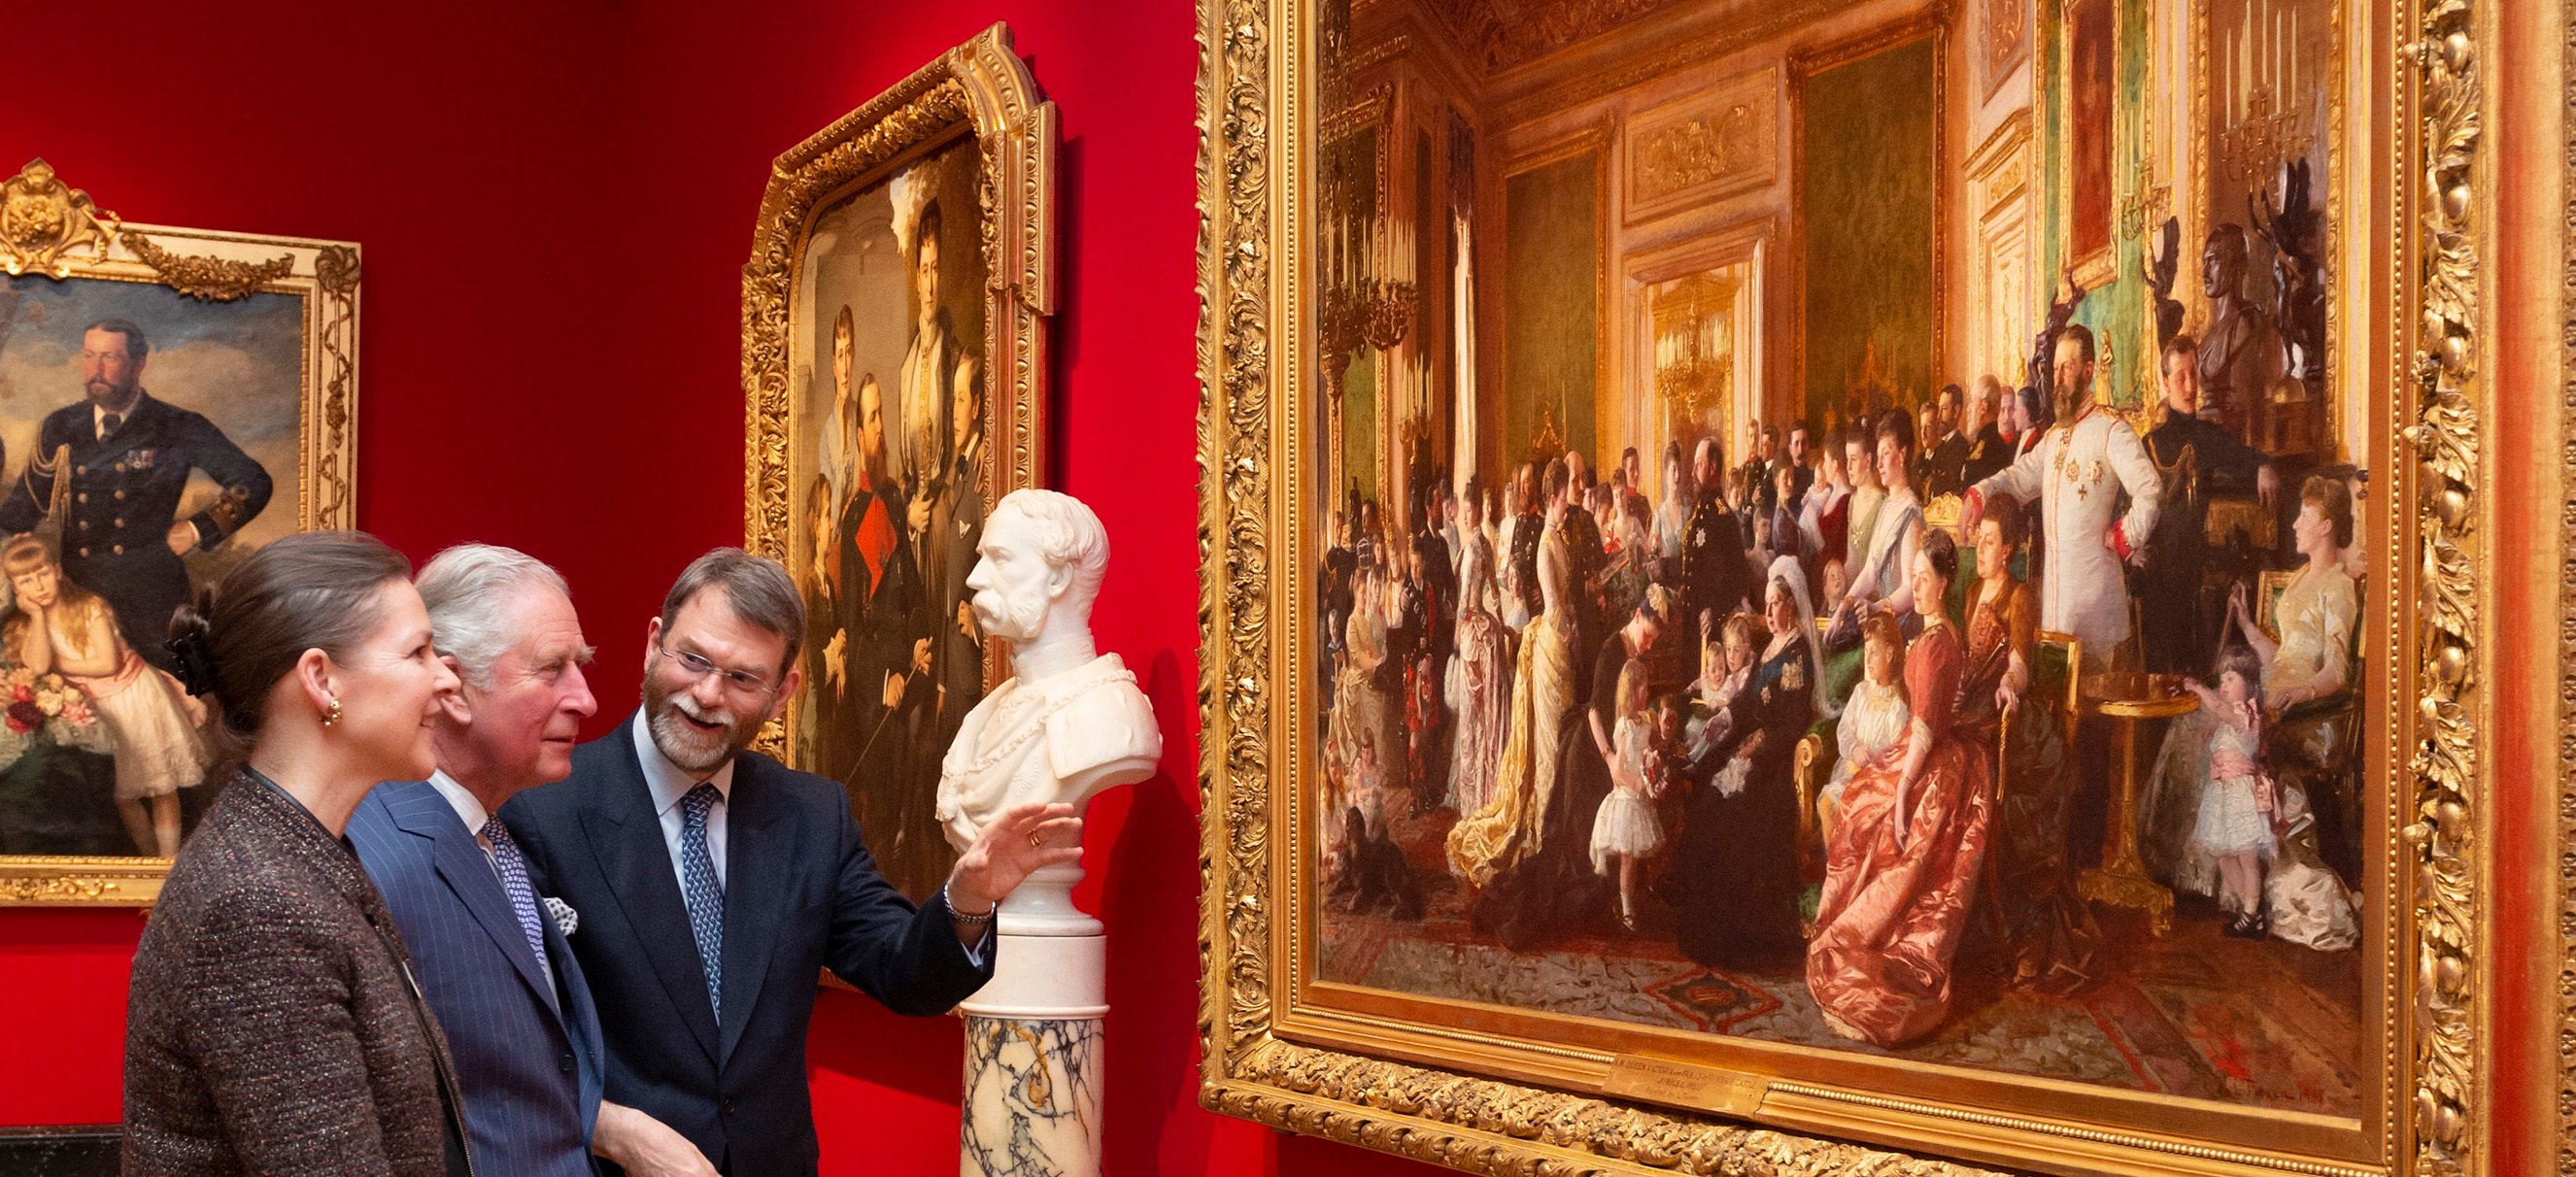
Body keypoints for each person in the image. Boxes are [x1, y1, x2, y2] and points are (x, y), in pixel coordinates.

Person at [498, 549, 1074, 1174]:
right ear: (653, 644)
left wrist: (965, 898)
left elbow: (905, 975)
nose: (707, 695)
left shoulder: (809, 814)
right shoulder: (541, 808)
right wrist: (615, 1133)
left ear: (782, 694)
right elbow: (510, 1040)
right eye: (693, 660)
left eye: (744, 678)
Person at [123, 532, 470, 1175]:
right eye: (418, 651)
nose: (446, 676)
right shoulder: (258, 904)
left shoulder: (297, 853)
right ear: (321, 679)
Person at [344, 545, 696, 1176]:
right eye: (552, 669)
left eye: (579, 666)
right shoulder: (382, 858)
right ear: (451, 688)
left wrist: (614, 1128)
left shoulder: (490, 830)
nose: (586, 699)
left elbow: (516, 1068)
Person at [1806, 531, 1994, 1048]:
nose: (1915, 585)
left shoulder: (1936, 644)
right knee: (1858, 797)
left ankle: (1873, 935)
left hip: (1931, 760)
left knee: (1869, 807)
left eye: (1923, 578)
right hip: (1924, 747)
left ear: (1944, 581)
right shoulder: (1932, 633)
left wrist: (1903, 790)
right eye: (1911, 577)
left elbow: (1928, 725)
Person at [0, 319, 273, 672]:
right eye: (89, 356)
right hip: (79, 595)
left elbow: (253, 481)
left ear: (139, 362)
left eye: (110, 357)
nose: (96, 369)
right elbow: (23, 509)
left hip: (151, 599)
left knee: (175, 707)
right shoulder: (61, 425)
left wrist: (195, 529)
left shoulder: (177, 425)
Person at [1967, 323, 2163, 660]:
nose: (2057, 378)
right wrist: (1980, 492)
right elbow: (2019, 479)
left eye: (2066, 367)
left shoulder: (2111, 430)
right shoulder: (2055, 436)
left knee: (2094, 704)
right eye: (2055, 368)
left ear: (2087, 371)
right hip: (2056, 607)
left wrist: (2124, 536)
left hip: (2096, 606)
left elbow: (2150, 489)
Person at [1, 536, 207, 857]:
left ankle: (168, 863)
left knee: (161, 785)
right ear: (17, 590)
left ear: (56, 571)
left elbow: (106, 663)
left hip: (135, 697)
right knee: (124, 796)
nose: (38, 586)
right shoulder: (28, 625)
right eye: (26, 580)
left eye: (42, 573)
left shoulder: (88, 607)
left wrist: (55, 664)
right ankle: (150, 860)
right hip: (104, 710)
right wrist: (38, 617)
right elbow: (36, 664)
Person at [1969, 498, 2101, 992]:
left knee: (2003, 803)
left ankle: (2020, 931)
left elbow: (2021, 662)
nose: (1978, 549)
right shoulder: (1971, 594)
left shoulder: (2019, 596)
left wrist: (2008, 683)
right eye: (1977, 539)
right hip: (1977, 712)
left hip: (2015, 721)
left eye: (1988, 542)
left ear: (2007, 550)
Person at [1666, 557, 1820, 967]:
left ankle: (1739, 932)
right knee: (1704, 788)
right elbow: (1747, 700)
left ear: (1792, 606)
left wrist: (1753, 746)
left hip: (1774, 759)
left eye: (1775, 604)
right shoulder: (1770, 648)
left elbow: (1789, 721)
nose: (1767, 613)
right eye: (1766, 604)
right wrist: (1725, 719)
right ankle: (1699, 912)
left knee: (1734, 812)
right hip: (1749, 744)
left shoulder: (1798, 654)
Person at [1447, 460, 1576, 886]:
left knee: (1558, 740)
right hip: (1552, 645)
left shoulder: (1557, 534)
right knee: (1550, 744)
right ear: (1556, 494)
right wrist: (1566, 628)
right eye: (1568, 489)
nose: (1572, 495)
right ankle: (1544, 832)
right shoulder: (1543, 543)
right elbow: (1553, 604)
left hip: (1558, 643)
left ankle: (1557, 830)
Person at [2141, 333, 2279, 675]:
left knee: (2195, 662)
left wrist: (2262, 466)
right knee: (2157, 663)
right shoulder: (2148, 444)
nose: (2190, 386)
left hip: (2193, 569)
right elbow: (2127, 505)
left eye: (2193, 375)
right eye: (2180, 377)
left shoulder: (2208, 437)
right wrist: (2133, 550)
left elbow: (2243, 457)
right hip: (2156, 572)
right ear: (2165, 382)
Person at [2174, 646, 2277, 937]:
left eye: (2231, 678)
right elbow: (2220, 718)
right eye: (2222, 679)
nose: (2224, 685)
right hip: (2221, 794)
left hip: (2240, 794)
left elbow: (2219, 708)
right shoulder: (2230, 719)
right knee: (2223, 854)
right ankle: (2248, 908)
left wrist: (2197, 687)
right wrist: (2211, 731)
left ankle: (2252, 913)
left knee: (2246, 855)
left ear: (2251, 685)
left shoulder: (2245, 715)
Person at [1821, 613, 1909, 846]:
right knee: (1827, 803)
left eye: (1874, 653)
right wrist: (1854, 748)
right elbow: (1844, 729)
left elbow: (1898, 750)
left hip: (1878, 781)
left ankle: (1853, 873)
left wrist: (1876, 759)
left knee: (1858, 815)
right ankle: (1836, 872)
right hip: (1851, 770)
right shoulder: (1861, 692)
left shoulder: (1898, 705)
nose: (1867, 660)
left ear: (1890, 654)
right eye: (1866, 652)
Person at [1589, 659, 1663, 929]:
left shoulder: (1646, 720)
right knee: (1628, 860)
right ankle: (1627, 909)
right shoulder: (1625, 726)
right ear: (1631, 692)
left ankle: (1642, 896)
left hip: (1640, 796)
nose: (1646, 694)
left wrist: (1659, 757)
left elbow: (1653, 748)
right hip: (1627, 798)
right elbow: (1618, 769)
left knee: (1641, 857)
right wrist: (1637, 783)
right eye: (1642, 689)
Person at [1678, 438, 1750, 654]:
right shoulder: (1696, 509)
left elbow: (1736, 577)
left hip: (1712, 625)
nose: (1693, 471)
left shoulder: (1724, 517)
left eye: (1699, 464)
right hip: (1691, 619)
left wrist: (1712, 609)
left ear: (1713, 468)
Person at [1959, 376, 2012, 489]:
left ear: (1984, 406)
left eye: (1972, 401)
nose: (1968, 409)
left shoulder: (1991, 446)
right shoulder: (1983, 443)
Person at [1919, 384, 1970, 498]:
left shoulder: (1962, 448)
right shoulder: (1938, 448)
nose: (1938, 416)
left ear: (1956, 411)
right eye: (1939, 409)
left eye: (1944, 409)